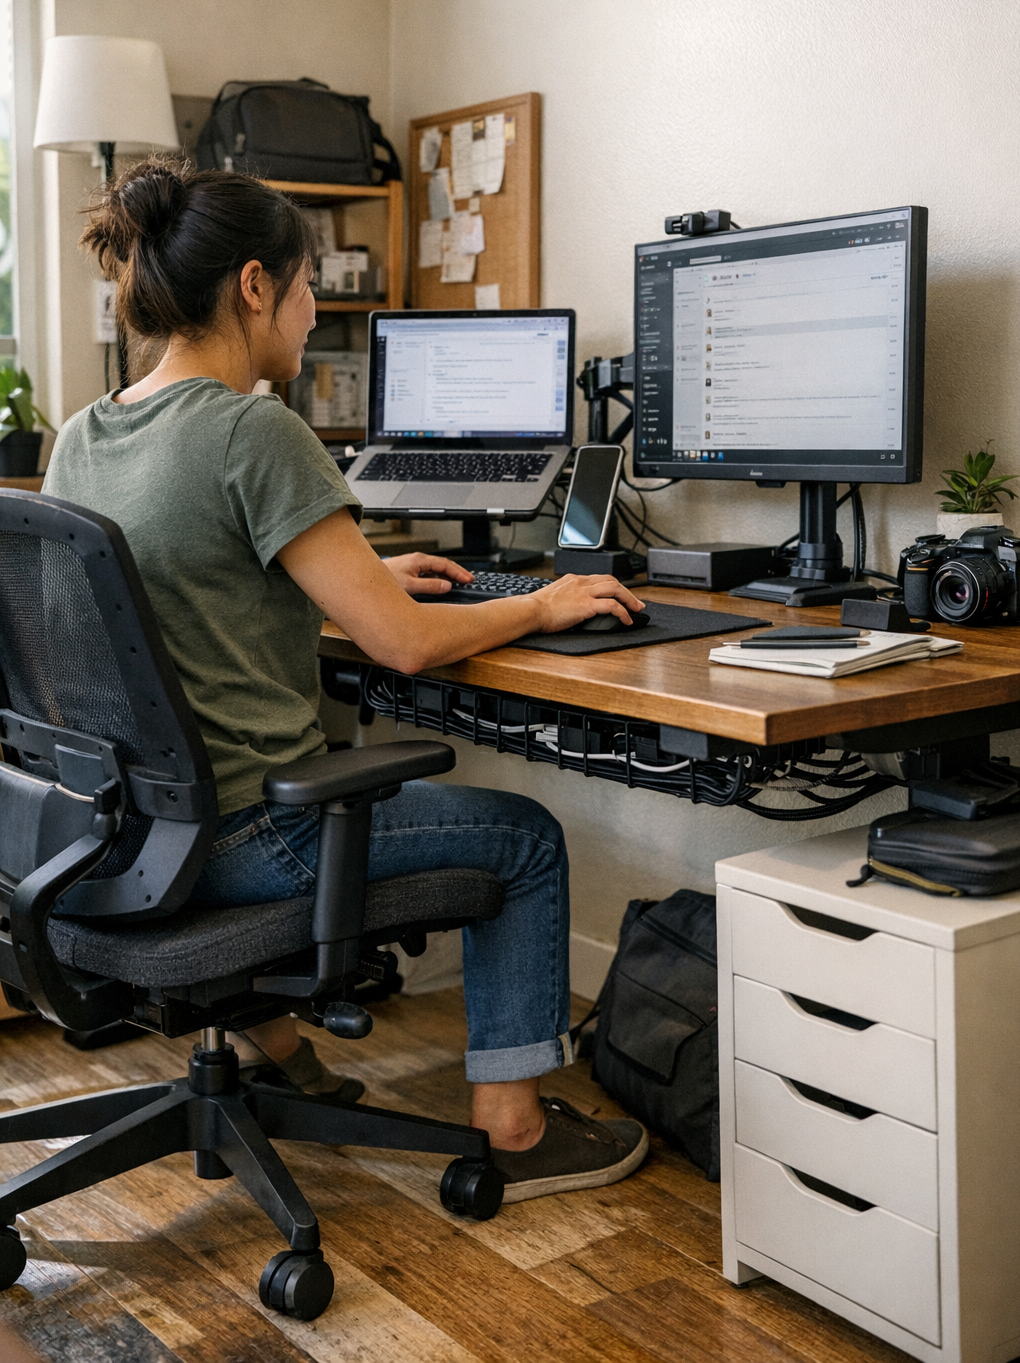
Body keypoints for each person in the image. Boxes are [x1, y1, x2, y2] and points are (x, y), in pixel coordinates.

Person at [44, 159, 649, 1203]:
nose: (314, 308)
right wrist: (544, 603)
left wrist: (352, 583)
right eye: (305, 284)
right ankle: (512, 1125)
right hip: (248, 838)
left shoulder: (83, 436)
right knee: (525, 839)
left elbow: (167, 607)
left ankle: (283, 1055)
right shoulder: (254, 428)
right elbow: (406, 647)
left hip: (119, 832)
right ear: (251, 286)